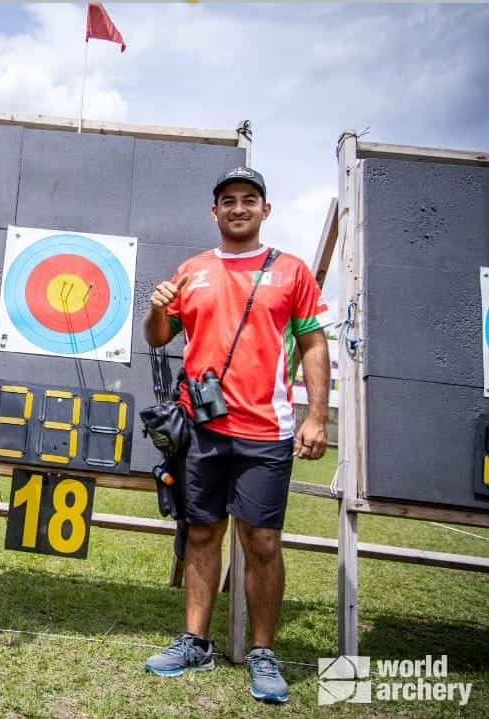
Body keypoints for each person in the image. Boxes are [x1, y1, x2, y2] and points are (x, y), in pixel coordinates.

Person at [142, 167, 330, 704]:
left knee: (263, 542)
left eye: (250, 199)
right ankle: (195, 642)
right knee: (201, 535)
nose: (239, 208)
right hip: (201, 431)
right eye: (228, 200)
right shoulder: (193, 269)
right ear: (215, 211)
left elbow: (314, 346)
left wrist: (316, 416)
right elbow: (158, 337)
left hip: (266, 431)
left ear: (265, 210)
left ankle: (263, 653)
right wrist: (157, 308)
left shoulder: (291, 271)